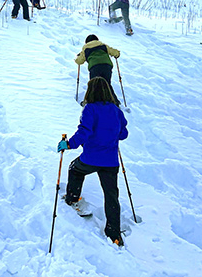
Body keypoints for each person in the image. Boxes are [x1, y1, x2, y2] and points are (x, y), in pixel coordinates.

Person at [57, 76, 128, 246]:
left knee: (75, 169)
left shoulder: (90, 109)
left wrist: (68, 144)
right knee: (111, 195)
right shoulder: (116, 110)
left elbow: (84, 132)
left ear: (90, 91)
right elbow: (123, 134)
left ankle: (73, 198)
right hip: (111, 161)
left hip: (91, 158)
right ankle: (114, 233)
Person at [75, 34, 121, 106]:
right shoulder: (102, 45)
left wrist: (78, 57)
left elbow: (79, 61)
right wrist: (117, 54)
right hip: (107, 66)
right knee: (107, 84)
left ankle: (89, 102)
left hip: (94, 67)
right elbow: (115, 52)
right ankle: (114, 102)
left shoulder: (86, 48)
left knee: (93, 84)